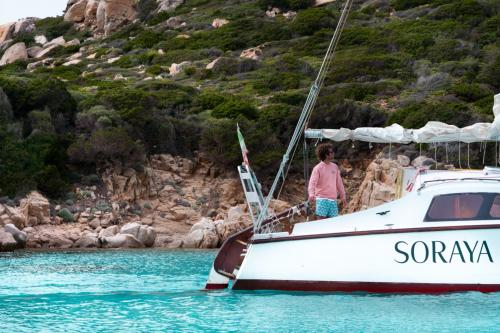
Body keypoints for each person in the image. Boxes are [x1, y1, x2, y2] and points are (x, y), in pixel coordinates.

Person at [308, 143, 347, 219]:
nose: (333, 153)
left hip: (333, 200)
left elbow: (339, 183)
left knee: (333, 223)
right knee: (322, 223)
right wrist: (311, 194)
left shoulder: (334, 167)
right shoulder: (317, 168)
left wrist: (343, 196)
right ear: (326, 155)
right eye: (331, 152)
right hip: (322, 199)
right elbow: (312, 183)